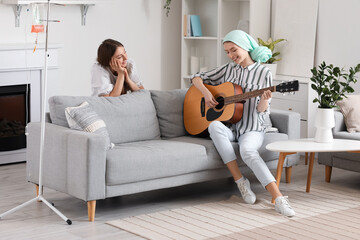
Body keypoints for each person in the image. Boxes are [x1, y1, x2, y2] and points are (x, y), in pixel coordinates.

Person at [190, 30, 295, 217]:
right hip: (230, 126)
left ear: (245, 47)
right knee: (214, 125)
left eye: (234, 50)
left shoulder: (264, 73)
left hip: (252, 128)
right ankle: (240, 181)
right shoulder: (227, 69)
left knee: (247, 151)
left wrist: (264, 99)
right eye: (227, 52)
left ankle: (279, 199)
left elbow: (262, 111)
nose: (231, 55)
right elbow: (196, 77)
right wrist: (206, 93)